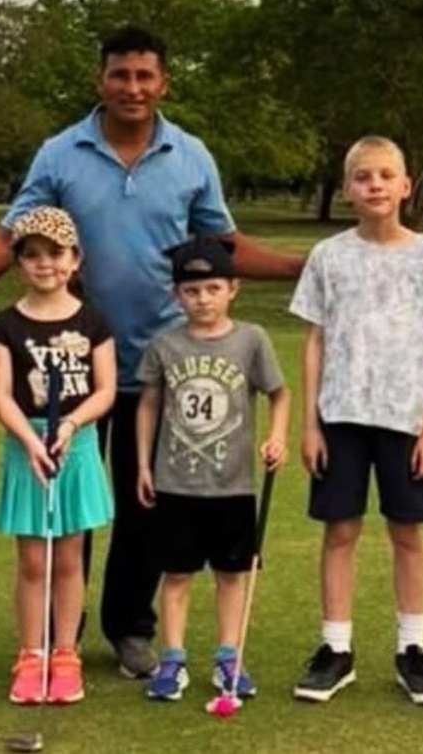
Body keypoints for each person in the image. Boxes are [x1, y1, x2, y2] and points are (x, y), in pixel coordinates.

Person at [0, 25, 303, 678]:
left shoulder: (190, 155)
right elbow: (10, 239)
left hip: (159, 362)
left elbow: (222, 247)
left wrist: (299, 268)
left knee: (145, 505)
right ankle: (59, 636)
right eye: (120, 74)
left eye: (144, 76)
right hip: (70, 365)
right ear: (101, 80)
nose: (132, 87)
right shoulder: (61, 153)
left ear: (163, 83)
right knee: (68, 501)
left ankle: (130, 628)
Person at [288, 136, 423, 705]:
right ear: (347, 189)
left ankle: (413, 648)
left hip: (406, 418)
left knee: (407, 531)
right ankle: (336, 649)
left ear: (406, 185)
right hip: (341, 414)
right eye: (363, 176)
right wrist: (309, 424)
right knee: (340, 530)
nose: (375, 185)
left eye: (386, 175)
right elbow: (315, 340)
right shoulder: (328, 257)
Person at [136, 237, 289, 702]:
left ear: (233, 288)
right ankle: (172, 660)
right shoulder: (165, 345)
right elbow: (149, 404)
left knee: (231, 574)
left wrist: (278, 437)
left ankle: (228, 658)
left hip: (233, 485)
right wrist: (143, 463)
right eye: (192, 290)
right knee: (176, 575)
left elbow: (279, 393)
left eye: (213, 288)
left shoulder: (251, 339)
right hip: (175, 483)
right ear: (176, 295)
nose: (203, 299)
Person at [0, 206, 116, 705]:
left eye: (56, 253)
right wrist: (30, 438)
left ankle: (65, 654)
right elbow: (1, 396)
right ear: (19, 263)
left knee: (68, 557)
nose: (45, 263)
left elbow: (105, 390)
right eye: (33, 255)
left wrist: (70, 424)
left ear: (75, 259)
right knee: (32, 560)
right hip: (28, 447)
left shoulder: (93, 321)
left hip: (75, 445)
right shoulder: (4, 325)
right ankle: (31, 654)